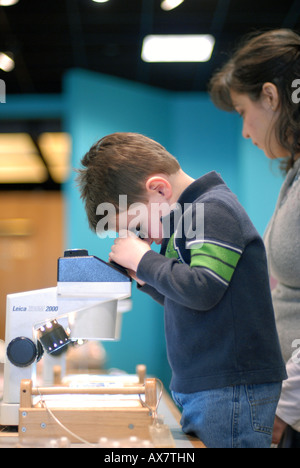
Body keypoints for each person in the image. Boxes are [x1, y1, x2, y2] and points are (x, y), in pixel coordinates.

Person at [76, 132, 286, 448]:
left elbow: (202, 289)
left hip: (230, 385)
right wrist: (146, 277)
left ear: (159, 189)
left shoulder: (213, 209)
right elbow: (191, 301)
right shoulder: (189, 218)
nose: (139, 234)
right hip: (209, 385)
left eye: (135, 224)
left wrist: (145, 259)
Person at [209, 28, 300, 447]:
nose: (245, 131)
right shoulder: (293, 176)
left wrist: (285, 408)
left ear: (271, 96)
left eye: (244, 111)